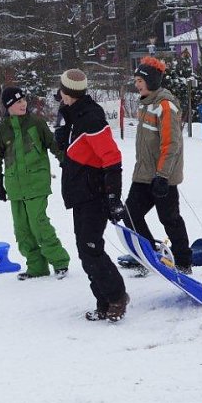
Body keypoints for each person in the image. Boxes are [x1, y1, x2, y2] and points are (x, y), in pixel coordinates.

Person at [55, 68, 129, 322]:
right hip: (81, 194)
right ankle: (104, 301)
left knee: (91, 249)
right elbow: (79, 153)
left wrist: (113, 196)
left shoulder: (90, 117)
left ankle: (117, 297)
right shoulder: (73, 114)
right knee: (86, 250)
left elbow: (111, 157)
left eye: (62, 91)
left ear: (68, 91)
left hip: (94, 194)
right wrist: (63, 141)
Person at [0, 86, 71, 281]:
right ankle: (36, 266)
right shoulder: (0, 131)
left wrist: (66, 163)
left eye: (24, 100)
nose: (23, 104)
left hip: (36, 183)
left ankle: (59, 261)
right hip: (15, 187)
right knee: (22, 229)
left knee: (38, 223)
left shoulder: (36, 124)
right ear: (8, 106)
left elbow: (53, 144)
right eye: (17, 102)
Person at [124, 56, 193, 276]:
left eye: (140, 81)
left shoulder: (165, 106)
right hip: (143, 175)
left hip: (163, 177)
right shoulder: (146, 105)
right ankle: (148, 255)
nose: (136, 85)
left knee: (169, 219)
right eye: (135, 81)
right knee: (131, 214)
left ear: (152, 81)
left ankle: (184, 262)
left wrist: (162, 176)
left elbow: (171, 143)